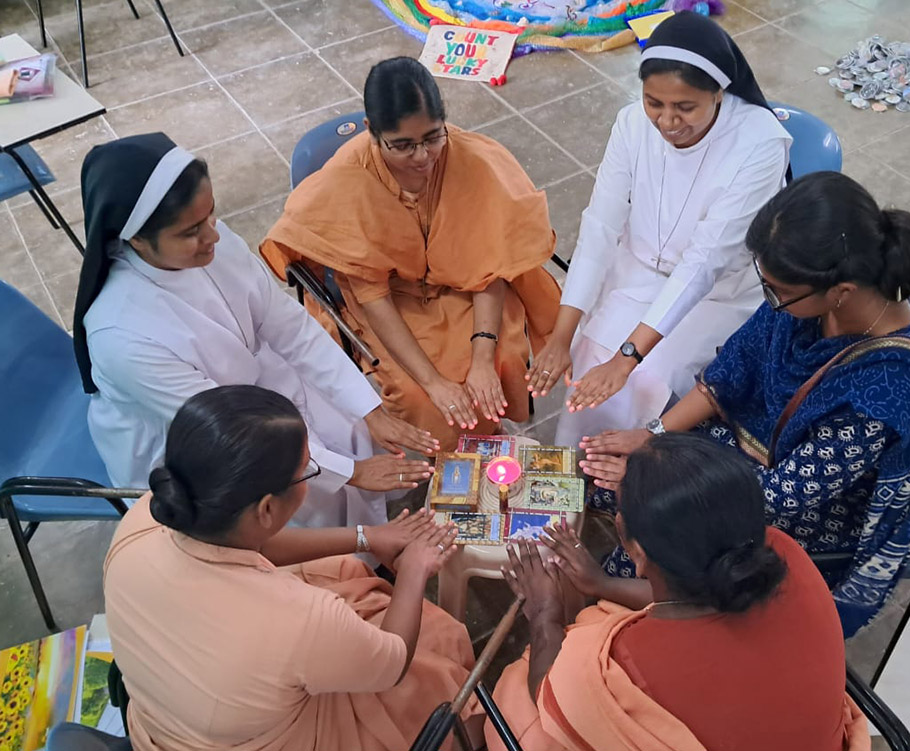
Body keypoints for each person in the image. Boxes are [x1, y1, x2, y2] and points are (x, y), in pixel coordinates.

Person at [579, 172, 910, 636]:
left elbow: (780, 497)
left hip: (807, 514)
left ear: (841, 291)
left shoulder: (889, 393)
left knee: (654, 528)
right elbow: (728, 375)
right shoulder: (806, 301)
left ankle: (628, 605)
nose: (768, 299)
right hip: (744, 455)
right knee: (596, 473)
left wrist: (661, 472)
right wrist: (652, 435)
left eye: (776, 290)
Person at [74, 133, 437, 530]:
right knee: (293, 500)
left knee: (348, 426)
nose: (213, 236)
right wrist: (349, 472)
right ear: (137, 240)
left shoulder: (216, 241)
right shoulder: (122, 336)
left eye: (211, 214)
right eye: (191, 231)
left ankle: (366, 543)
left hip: (252, 388)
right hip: (193, 441)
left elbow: (287, 325)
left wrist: (368, 410)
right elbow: (226, 430)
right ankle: (347, 568)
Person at [104, 385, 482, 751]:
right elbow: (395, 660)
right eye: (307, 470)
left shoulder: (147, 517)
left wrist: (368, 537)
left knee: (340, 569)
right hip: (286, 737)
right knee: (436, 649)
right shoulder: (298, 619)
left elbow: (256, 544)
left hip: (166, 716)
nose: (311, 474)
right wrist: (415, 567)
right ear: (266, 508)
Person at [490, 433, 871, 751]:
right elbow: (701, 595)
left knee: (516, 690)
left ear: (636, 551)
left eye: (620, 513)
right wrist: (601, 585)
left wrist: (544, 613)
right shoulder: (784, 552)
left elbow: (552, 692)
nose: (617, 516)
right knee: (597, 616)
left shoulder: (626, 667)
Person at [262, 57, 561, 450]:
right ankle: (446, 459)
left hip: (470, 292)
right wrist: (434, 384)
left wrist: (482, 358)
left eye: (433, 137)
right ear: (372, 132)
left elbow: (489, 270)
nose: (422, 157)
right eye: (402, 145)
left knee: (503, 360)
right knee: (418, 396)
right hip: (390, 301)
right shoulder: (348, 179)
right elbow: (373, 297)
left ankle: (483, 443)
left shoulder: (472, 161)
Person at [523, 11, 792, 446]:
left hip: (716, 295)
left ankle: (641, 473)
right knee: (588, 349)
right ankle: (584, 467)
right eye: (655, 103)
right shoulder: (631, 123)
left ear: (719, 93)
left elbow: (704, 263)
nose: (667, 122)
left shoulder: (759, 144)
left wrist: (627, 357)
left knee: (648, 379)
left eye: (685, 107)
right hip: (638, 269)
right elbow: (600, 225)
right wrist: (560, 335)